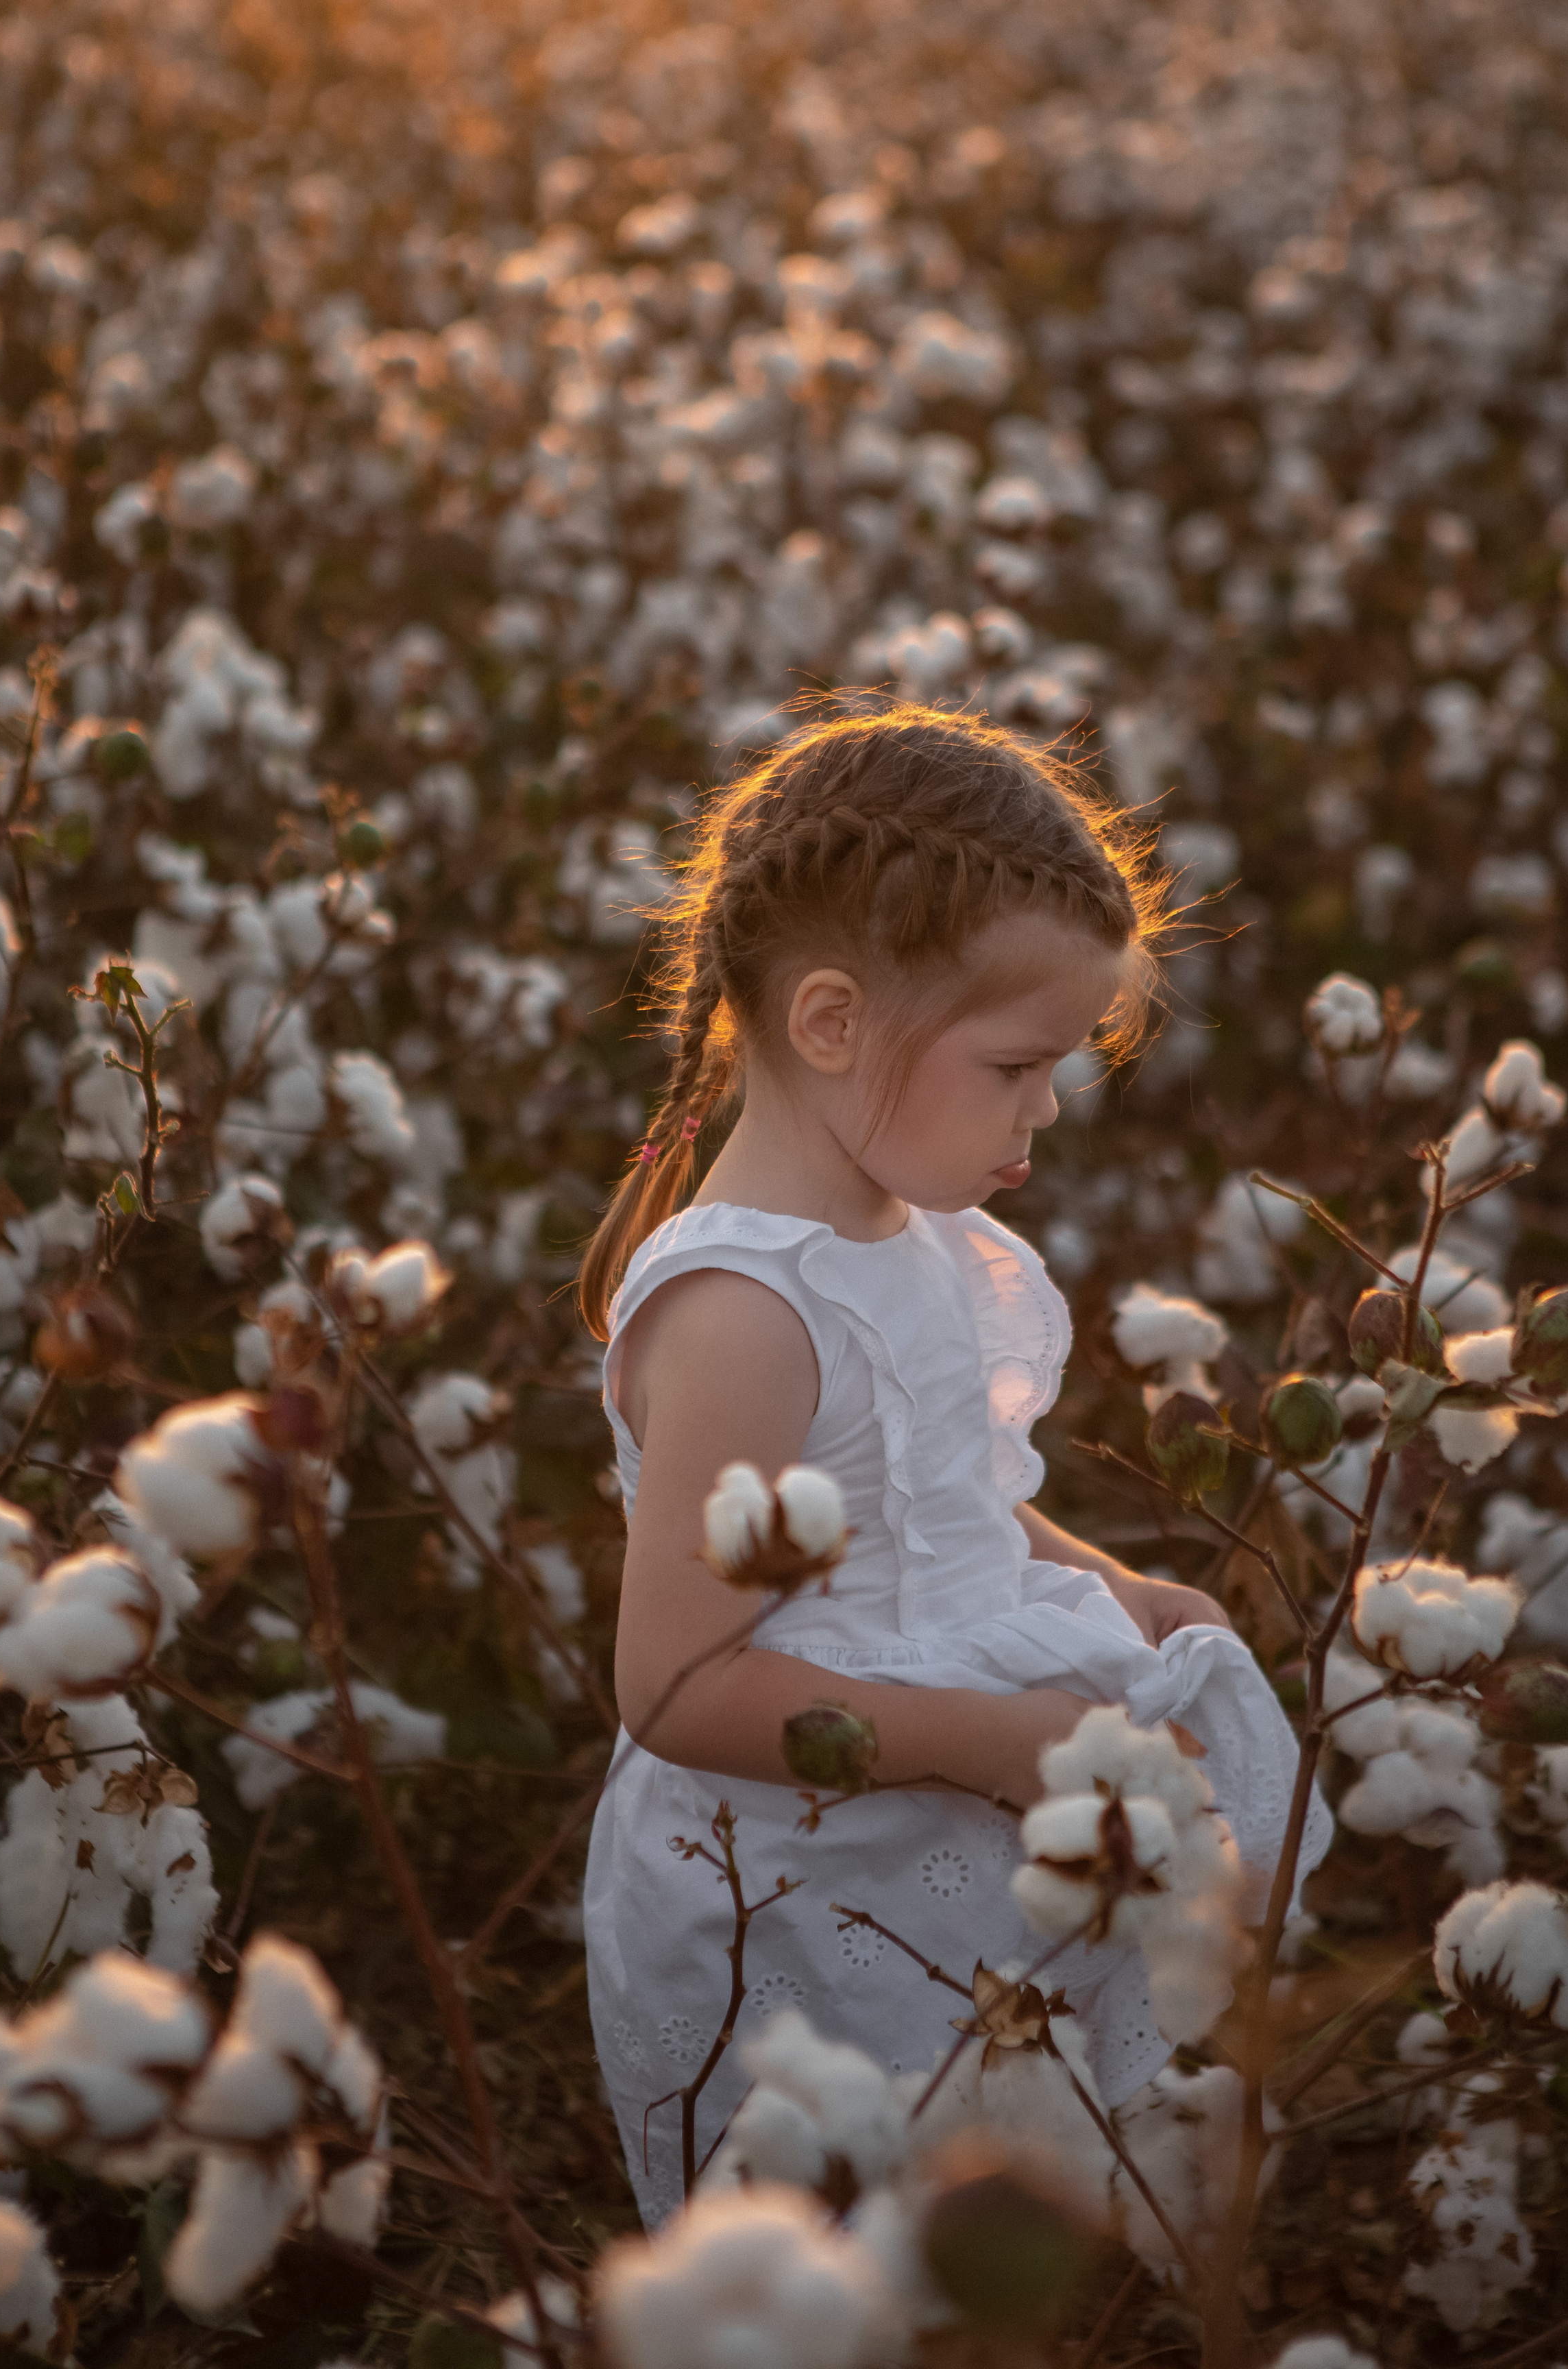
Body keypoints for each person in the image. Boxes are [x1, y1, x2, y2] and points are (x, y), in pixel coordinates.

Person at [579, 705, 1326, 2225]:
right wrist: (985, 1745)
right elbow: (673, 1683)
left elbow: (937, 1502)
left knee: (1002, 2199)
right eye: (1014, 1065)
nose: (1044, 1107)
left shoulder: (905, 1232)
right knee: (857, 2235)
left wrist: (1116, 1583)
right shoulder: (743, 1316)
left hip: (937, 1781)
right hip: (808, 1867)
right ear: (831, 1023)